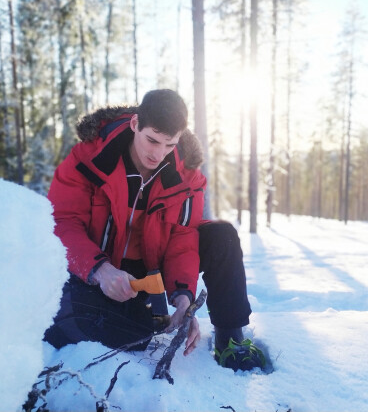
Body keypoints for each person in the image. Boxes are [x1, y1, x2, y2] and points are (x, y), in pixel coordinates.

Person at [44, 89, 264, 371]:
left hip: (150, 273)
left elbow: (183, 238)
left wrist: (183, 298)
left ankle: (230, 340)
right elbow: (62, 222)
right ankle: (129, 319)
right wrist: (101, 270)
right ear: (135, 124)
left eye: (169, 145)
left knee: (222, 235)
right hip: (98, 269)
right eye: (152, 140)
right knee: (110, 332)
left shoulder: (187, 177)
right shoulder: (88, 159)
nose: (158, 153)